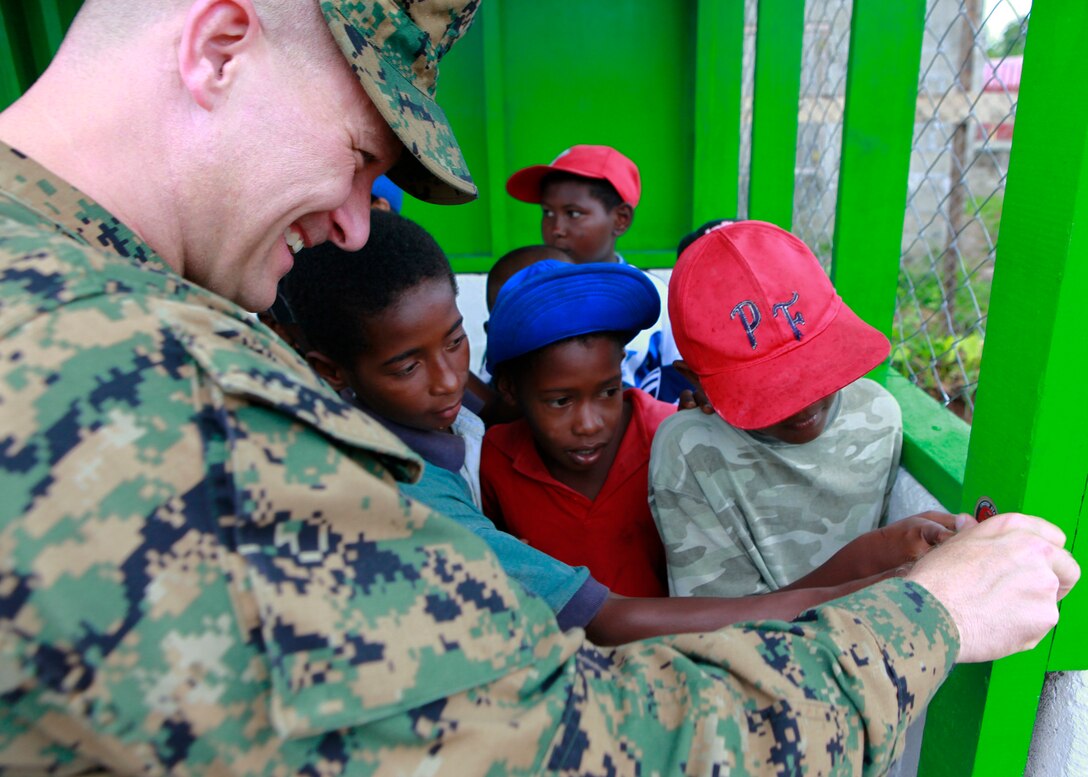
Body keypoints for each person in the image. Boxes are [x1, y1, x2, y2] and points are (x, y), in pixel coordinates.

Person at [0, 1, 1078, 774]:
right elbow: (568, 741)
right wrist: (924, 619)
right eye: (356, 157)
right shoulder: (152, 385)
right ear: (219, 44)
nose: (355, 221)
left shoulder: (86, 313)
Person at [279, 212, 899, 642]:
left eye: (455, 341)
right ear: (516, 394)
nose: (445, 382)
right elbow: (594, 615)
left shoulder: (664, 435)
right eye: (408, 364)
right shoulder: (473, 465)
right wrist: (869, 583)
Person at [651, 220, 946, 598]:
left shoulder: (878, 412)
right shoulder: (689, 449)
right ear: (695, 381)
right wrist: (866, 561)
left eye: (813, 366)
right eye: (768, 387)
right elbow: (718, 627)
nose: (801, 402)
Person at [479, 260, 693, 596]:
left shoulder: (670, 435)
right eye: (561, 401)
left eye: (609, 392)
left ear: (621, 362)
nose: (590, 425)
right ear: (509, 389)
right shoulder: (495, 459)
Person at [506, 144, 691, 402]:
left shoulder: (657, 298)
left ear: (621, 219)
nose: (556, 228)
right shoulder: (527, 293)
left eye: (573, 213)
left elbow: (679, 386)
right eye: (547, 212)